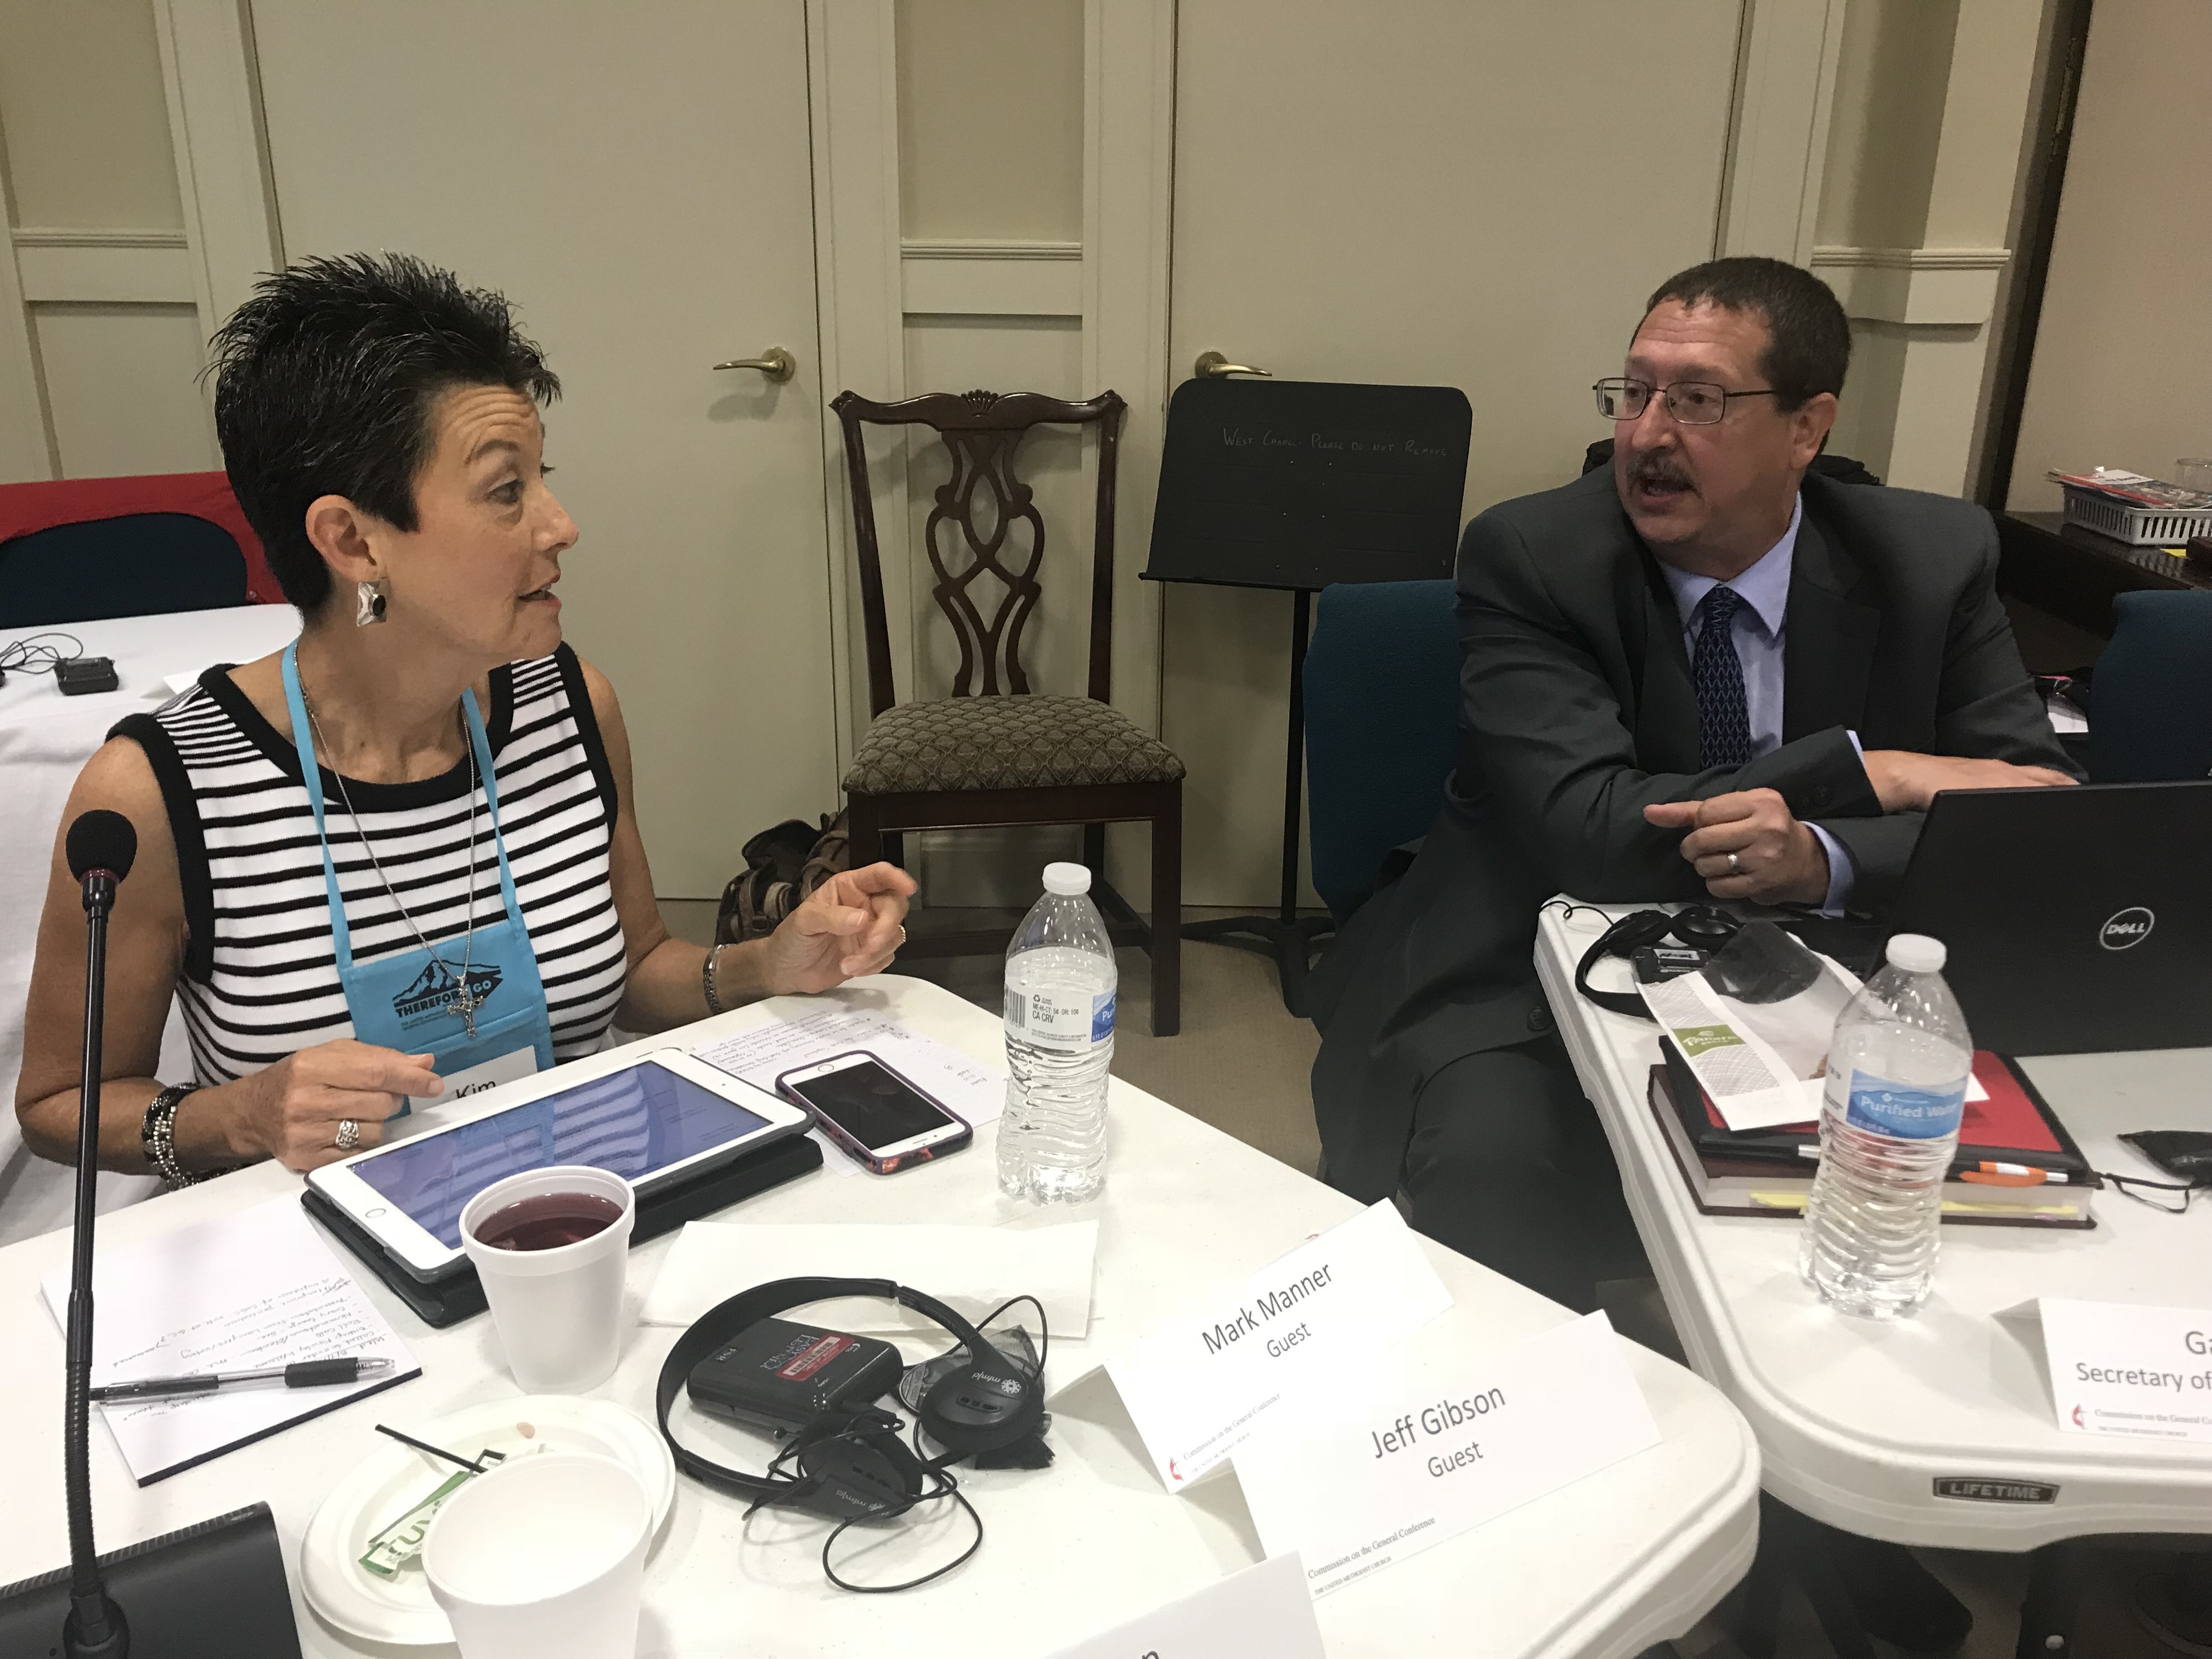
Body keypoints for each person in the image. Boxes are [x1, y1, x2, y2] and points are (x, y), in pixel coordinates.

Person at [1309, 256, 2078, 1651]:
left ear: (1809, 426)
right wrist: (1872, 770)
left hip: (1834, 967)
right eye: (1635, 392)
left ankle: (1826, 1502)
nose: (1647, 436)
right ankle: (1560, 1543)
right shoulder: (1534, 553)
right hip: (1535, 951)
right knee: (1493, 1157)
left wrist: (1829, 852)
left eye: (1700, 401)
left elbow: (2030, 811)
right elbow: (1596, 833)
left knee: (1967, 1166)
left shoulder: (1931, 555)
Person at [14, 252, 914, 1189]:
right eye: (505, 491)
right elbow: (60, 1104)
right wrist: (240, 1115)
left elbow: (637, 964)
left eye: (542, 477)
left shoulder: (569, 706)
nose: (561, 525)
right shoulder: (159, 795)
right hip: (321, 1247)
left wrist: (769, 963)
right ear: (351, 540)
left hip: (579, 1210)